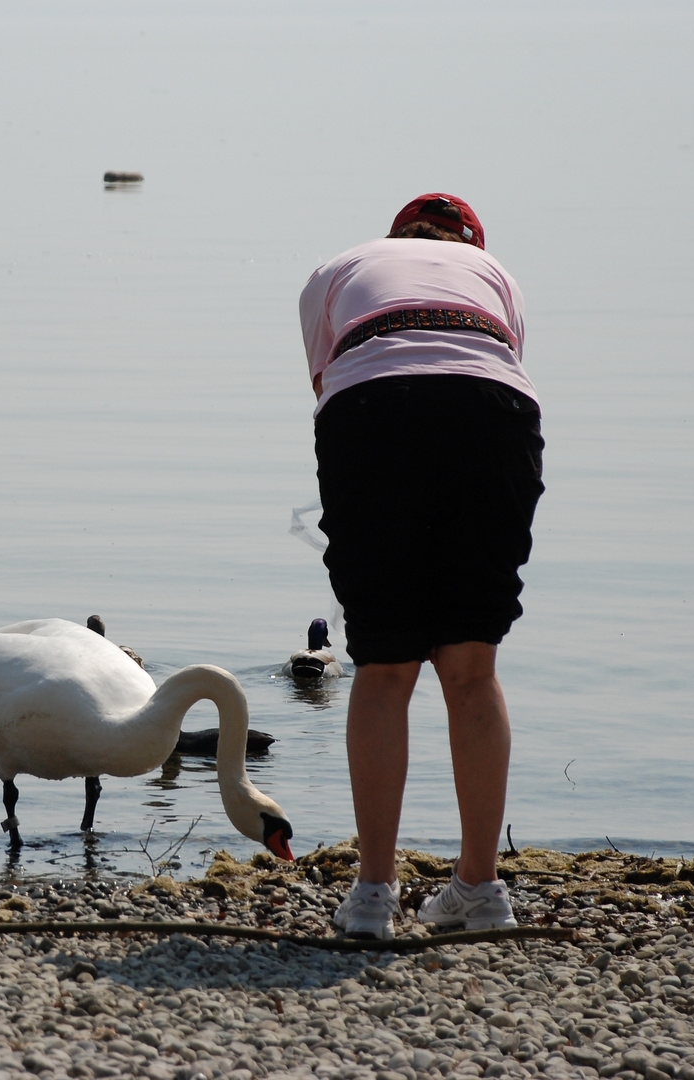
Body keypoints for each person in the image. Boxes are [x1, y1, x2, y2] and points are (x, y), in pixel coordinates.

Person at [299, 193, 544, 940]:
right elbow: (499, 363)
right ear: (469, 244)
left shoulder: (339, 267)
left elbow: (328, 378)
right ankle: (480, 890)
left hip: (373, 409)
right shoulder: (492, 271)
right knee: (470, 666)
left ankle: (372, 895)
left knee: (382, 667)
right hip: (491, 410)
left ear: (393, 238)